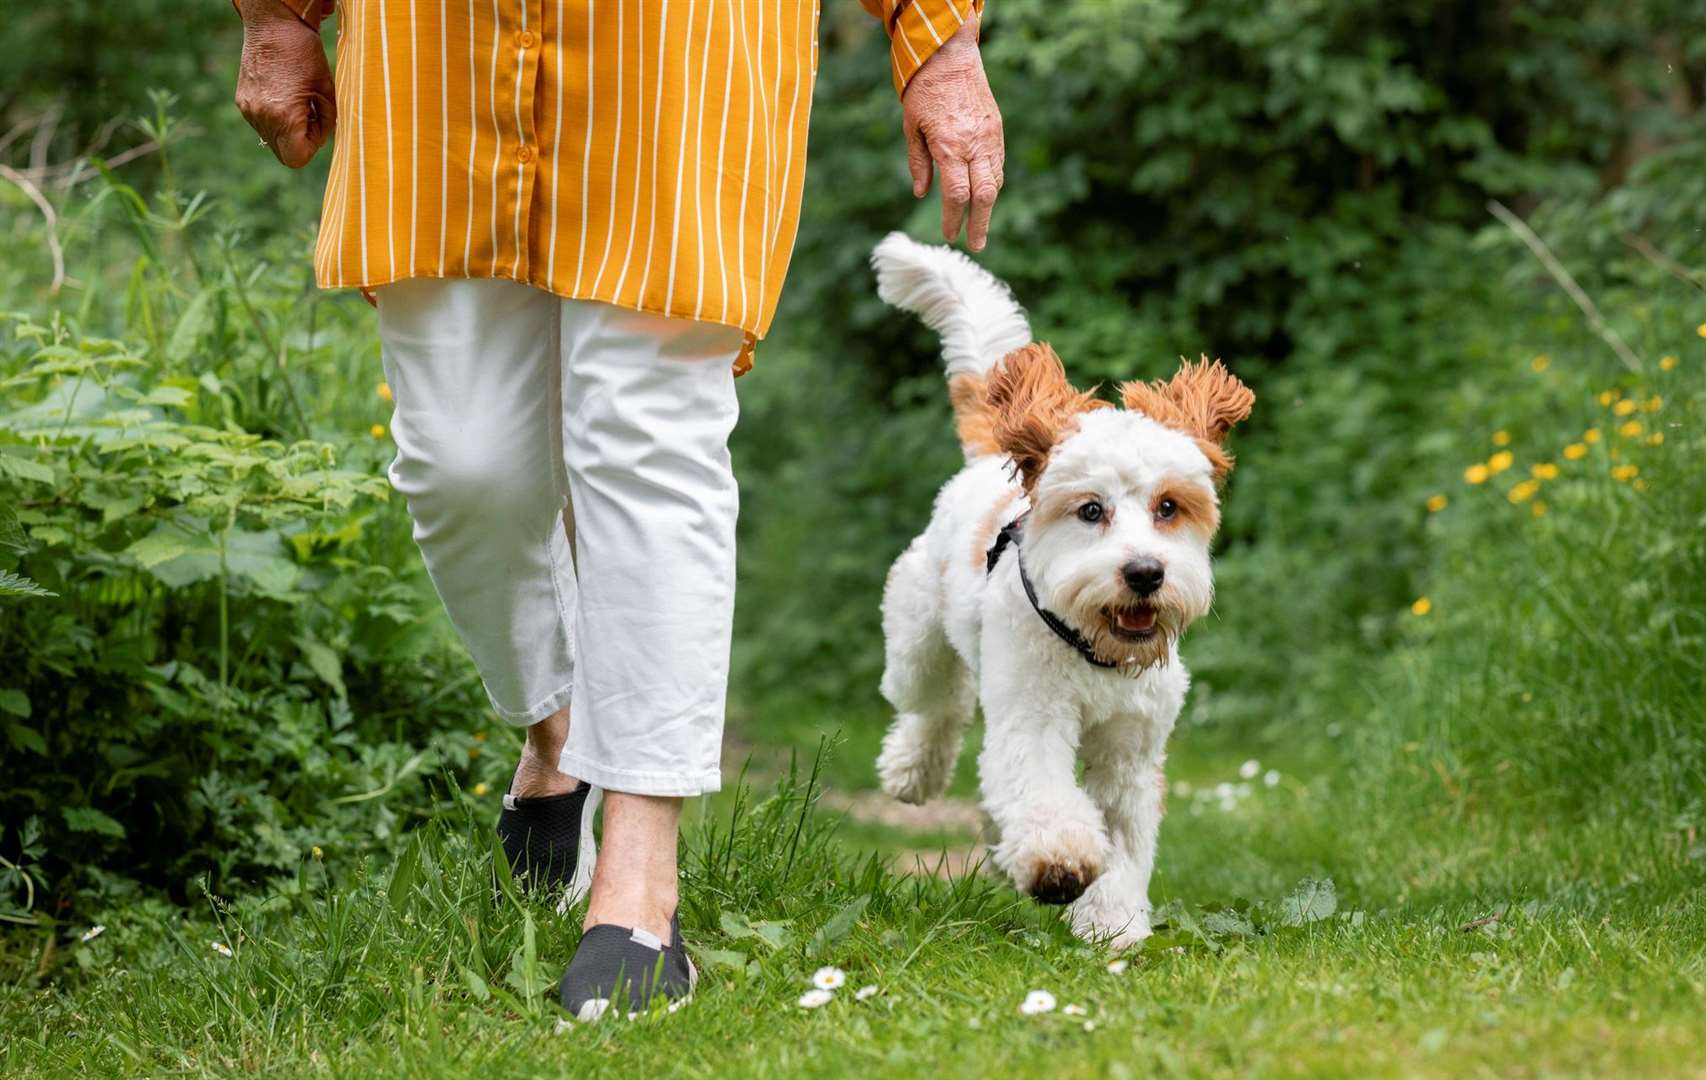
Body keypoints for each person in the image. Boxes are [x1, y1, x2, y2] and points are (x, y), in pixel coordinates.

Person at [234, 0, 1004, 1018]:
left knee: (650, 434)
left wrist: (935, 35)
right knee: (460, 468)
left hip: (682, 51)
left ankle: (638, 891)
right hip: (438, 56)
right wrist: (277, 15)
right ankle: (557, 738)